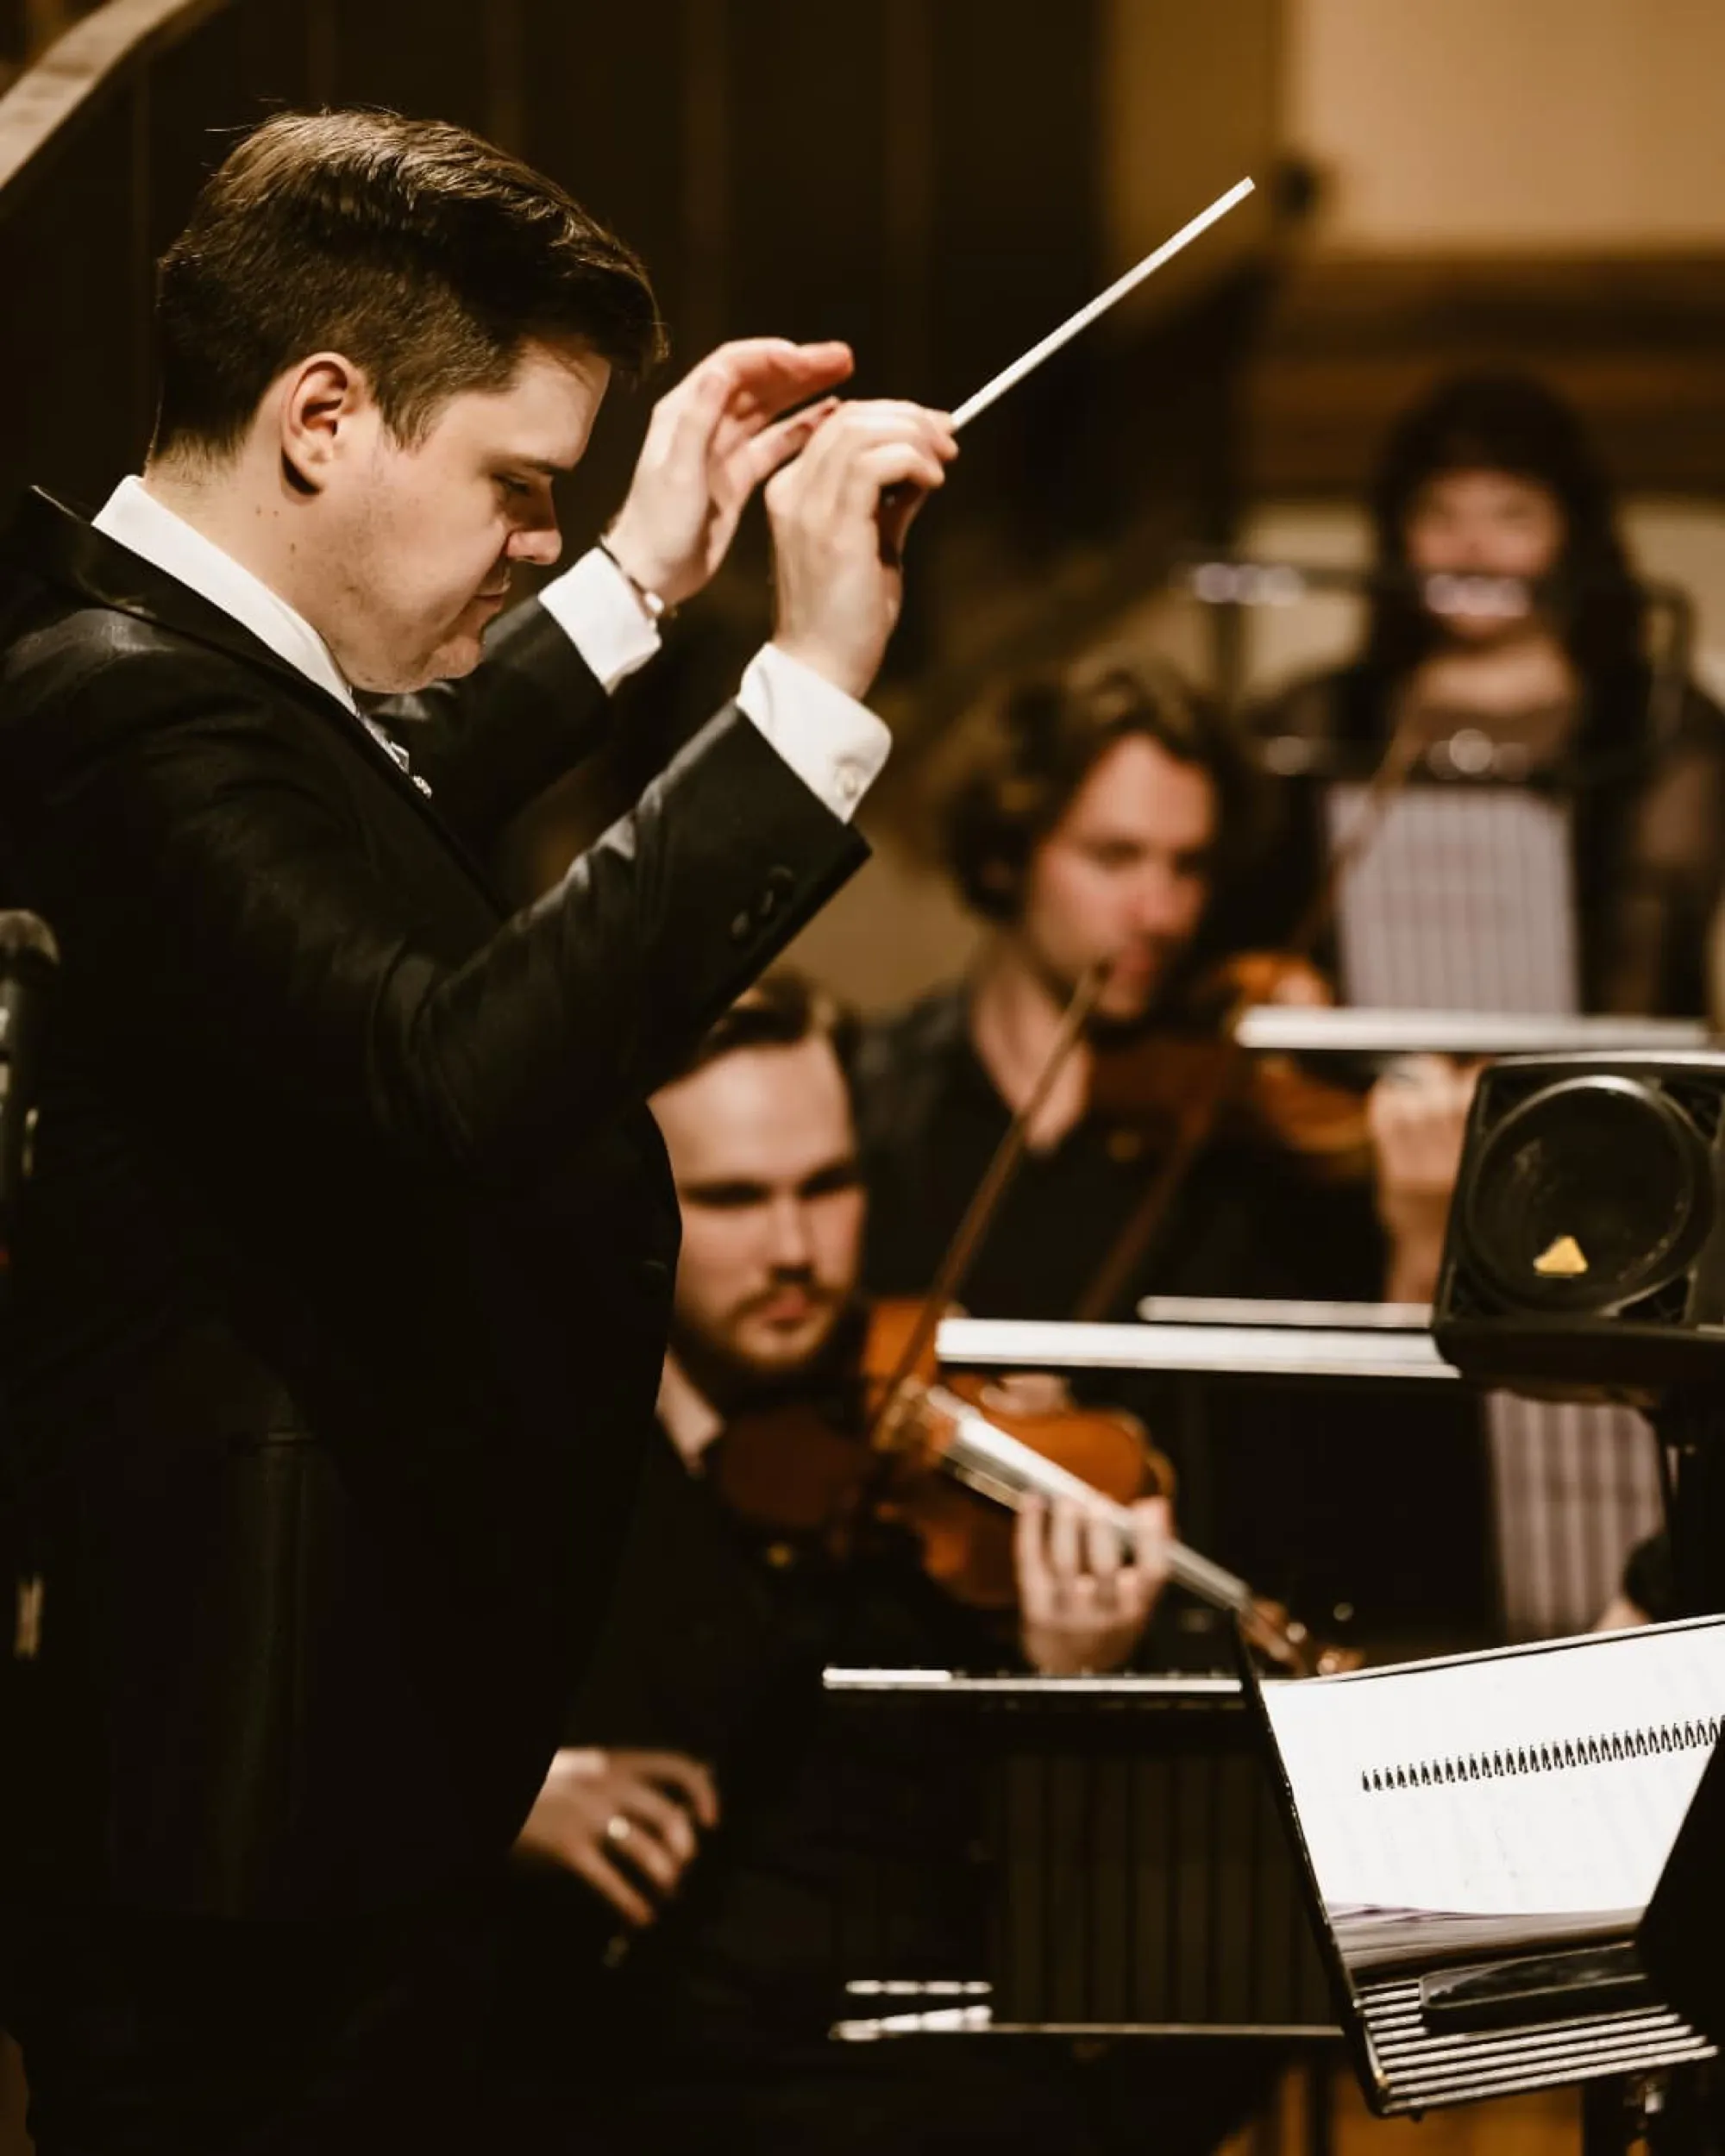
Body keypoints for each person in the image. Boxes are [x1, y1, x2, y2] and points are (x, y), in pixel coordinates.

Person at [0, 109, 956, 2154]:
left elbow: (379, 794)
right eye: (520, 483)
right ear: (323, 417)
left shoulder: (194, 679)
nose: (538, 532)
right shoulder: (116, 707)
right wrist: (805, 683)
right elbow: (442, 1068)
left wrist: (645, 571)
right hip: (238, 1840)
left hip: (321, 1794)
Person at [490, 973, 1175, 2153]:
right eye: (734, 1199)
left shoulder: (932, 1451)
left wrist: (1071, 1683)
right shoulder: (530, 1451)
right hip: (615, 2082)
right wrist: (504, 1801)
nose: (797, 1251)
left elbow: (1067, 1927)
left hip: (919, 2088)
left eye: (828, 1185)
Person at [853, 658, 1431, 1320]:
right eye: (1114, 858)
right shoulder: (878, 1103)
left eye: (1189, 866)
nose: (1161, 915)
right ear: (1005, 857)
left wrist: (1421, 1245)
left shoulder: (1240, 1143)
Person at [1242, 369, 1725, 1019]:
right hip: (1362, 1073)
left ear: (1570, 533)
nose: (1472, 549)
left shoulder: (1658, 721)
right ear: (1399, 534)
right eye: (1439, 514)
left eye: (1512, 515)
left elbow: (1656, 956)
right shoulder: (1317, 713)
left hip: (1589, 1072)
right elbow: (1261, 926)